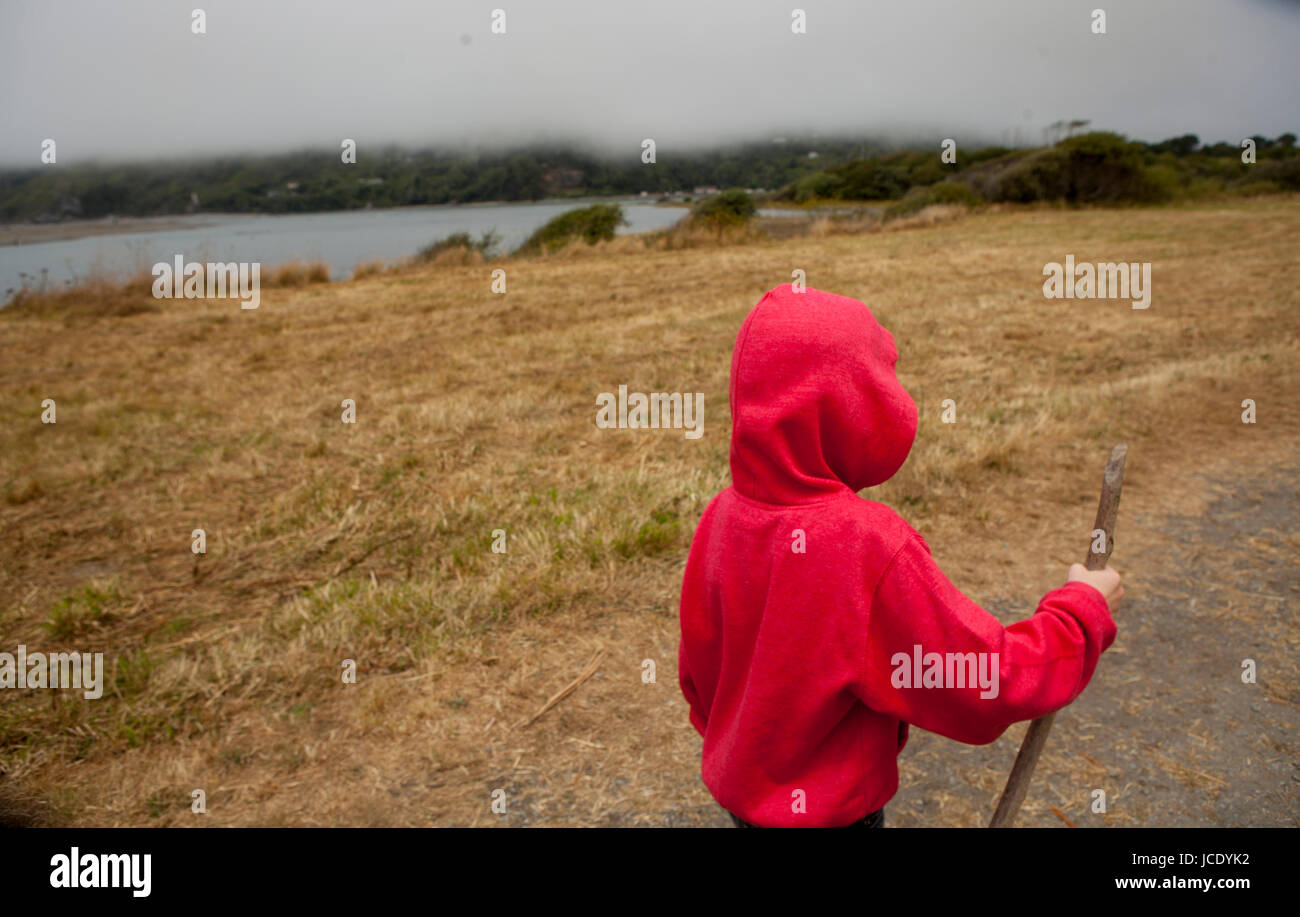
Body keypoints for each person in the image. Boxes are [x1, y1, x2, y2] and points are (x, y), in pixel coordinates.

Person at [678, 284, 1122, 828]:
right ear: (852, 400)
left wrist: (746, 753)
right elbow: (984, 680)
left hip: (741, 806)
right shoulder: (864, 547)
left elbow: (699, 676)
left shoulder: (722, 517)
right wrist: (1081, 613)